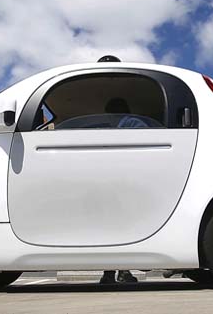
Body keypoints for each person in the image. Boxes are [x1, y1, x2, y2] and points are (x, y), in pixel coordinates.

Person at [99, 97, 145, 285]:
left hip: (120, 183)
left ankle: (114, 272)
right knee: (118, 227)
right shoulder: (125, 125)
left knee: (115, 227)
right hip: (120, 183)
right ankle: (116, 272)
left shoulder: (130, 124)